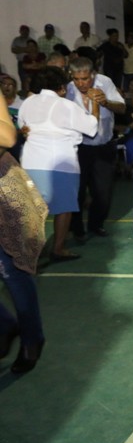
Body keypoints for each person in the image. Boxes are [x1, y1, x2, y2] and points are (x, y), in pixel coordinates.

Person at [19, 67, 99, 261]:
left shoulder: (27, 102)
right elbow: (92, 128)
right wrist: (95, 104)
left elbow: (23, 127)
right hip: (61, 163)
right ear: (61, 87)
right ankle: (58, 249)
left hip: (31, 161)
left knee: (34, 211)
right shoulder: (66, 105)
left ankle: (29, 254)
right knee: (64, 208)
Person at [0, 93, 49, 374]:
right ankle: (6, 324)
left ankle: (32, 338)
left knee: (12, 270)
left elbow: (7, 137)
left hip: (2, 193)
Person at [66, 56, 126, 240]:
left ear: (93, 74)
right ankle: (76, 229)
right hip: (78, 148)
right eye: (76, 79)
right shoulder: (69, 88)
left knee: (103, 193)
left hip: (103, 147)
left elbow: (122, 108)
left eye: (84, 78)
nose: (80, 83)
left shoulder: (105, 82)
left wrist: (106, 102)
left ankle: (95, 225)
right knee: (77, 192)